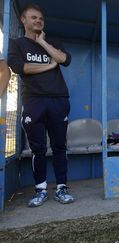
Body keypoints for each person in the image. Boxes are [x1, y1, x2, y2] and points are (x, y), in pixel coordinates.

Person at [7, 4, 74, 207]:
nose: (38, 21)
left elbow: (64, 59)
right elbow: (20, 67)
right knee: (38, 149)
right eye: (34, 17)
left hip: (58, 99)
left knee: (60, 146)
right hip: (33, 100)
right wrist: (49, 65)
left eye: (41, 18)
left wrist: (43, 43)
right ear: (23, 20)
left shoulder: (52, 42)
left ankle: (62, 188)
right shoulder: (16, 44)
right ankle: (41, 189)